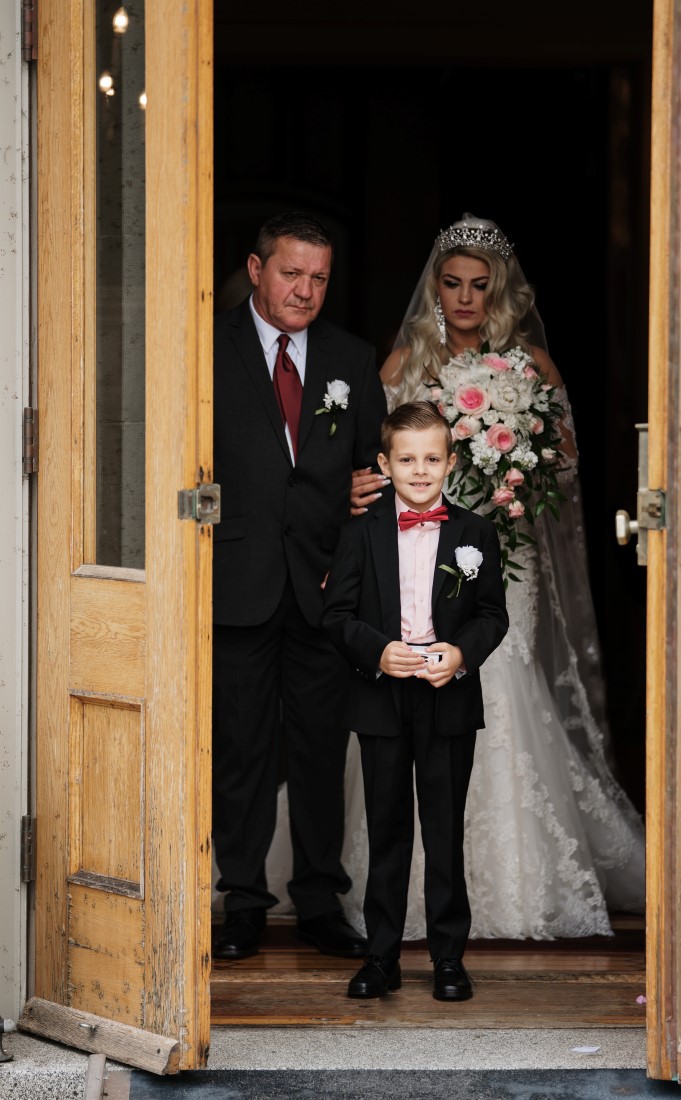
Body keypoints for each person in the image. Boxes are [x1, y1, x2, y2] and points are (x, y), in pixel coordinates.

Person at [344, 213, 646, 940]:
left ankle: (515, 881)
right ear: (435, 287)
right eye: (452, 284)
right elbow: (375, 461)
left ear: (499, 290)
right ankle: (404, 891)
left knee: (501, 681)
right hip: (419, 555)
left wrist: (514, 457)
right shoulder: (405, 362)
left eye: (479, 286)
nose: (465, 298)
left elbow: (566, 464)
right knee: (412, 684)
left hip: (504, 550)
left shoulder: (531, 364)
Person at [211, 211, 387, 960]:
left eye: (319, 278)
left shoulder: (352, 357)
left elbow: (374, 476)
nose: (305, 291)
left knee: (320, 751)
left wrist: (343, 558)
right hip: (236, 582)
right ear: (256, 270)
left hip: (323, 586)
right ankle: (244, 902)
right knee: (241, 752)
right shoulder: (205, 348)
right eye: (291, 273)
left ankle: (319, 902)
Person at [321, 401, 509, 999]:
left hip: (446, 698)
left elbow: (492, 615)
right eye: (407, 460)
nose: (420, 471)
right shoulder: (360, 532)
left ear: (450, 463)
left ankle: (448, 958)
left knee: (444, 830)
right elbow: (336, 615)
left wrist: (460, 654)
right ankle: (381, 956)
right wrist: (377, 652)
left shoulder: (475, 533)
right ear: (385, 464)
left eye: (431, 459)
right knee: (388, 830)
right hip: (381, 698)